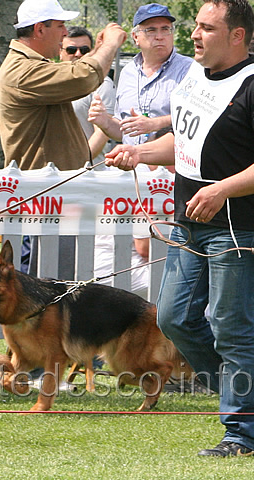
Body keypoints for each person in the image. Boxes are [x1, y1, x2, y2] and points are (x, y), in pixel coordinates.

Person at [105, 0, 254, 458]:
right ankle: (243, 400)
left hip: (237, 229)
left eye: (207, 28)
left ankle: (241, 432)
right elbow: (185, 139)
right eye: (196, 27)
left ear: (238, 36)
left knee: (231, 328)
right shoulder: (193, 77)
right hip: (189, 224)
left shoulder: (251, 85)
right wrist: (140, 153)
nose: (194, 35)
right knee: (173, 319)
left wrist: (223, 190)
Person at [0, 0, 126, 171]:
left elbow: (73, 70)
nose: (65, 32)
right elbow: (83, 78)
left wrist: (99, 49)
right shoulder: (23, 71)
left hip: (50, 185)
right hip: (43, 187)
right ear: (40, 29)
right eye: (60, 26)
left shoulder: (32, 65)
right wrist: (110, 44)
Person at [88, 3, 193, 147]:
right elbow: (123, 132)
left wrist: (155, 124)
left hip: (172, 165)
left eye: (165, 29)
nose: (159, 36)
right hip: (133, 166)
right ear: (135, 37)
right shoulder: (127, 72)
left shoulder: (189, 70)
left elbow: (198, 118)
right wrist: (104, 122)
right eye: (151, 30)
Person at [59, 25, 116, 166]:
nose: (78, 54)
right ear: (60, 52)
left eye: (84, 50)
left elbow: (102, 133)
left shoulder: (102, 84)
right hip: (53, 170)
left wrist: (77, 164)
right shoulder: (52, 81)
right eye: (71, 50)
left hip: (87, 173)